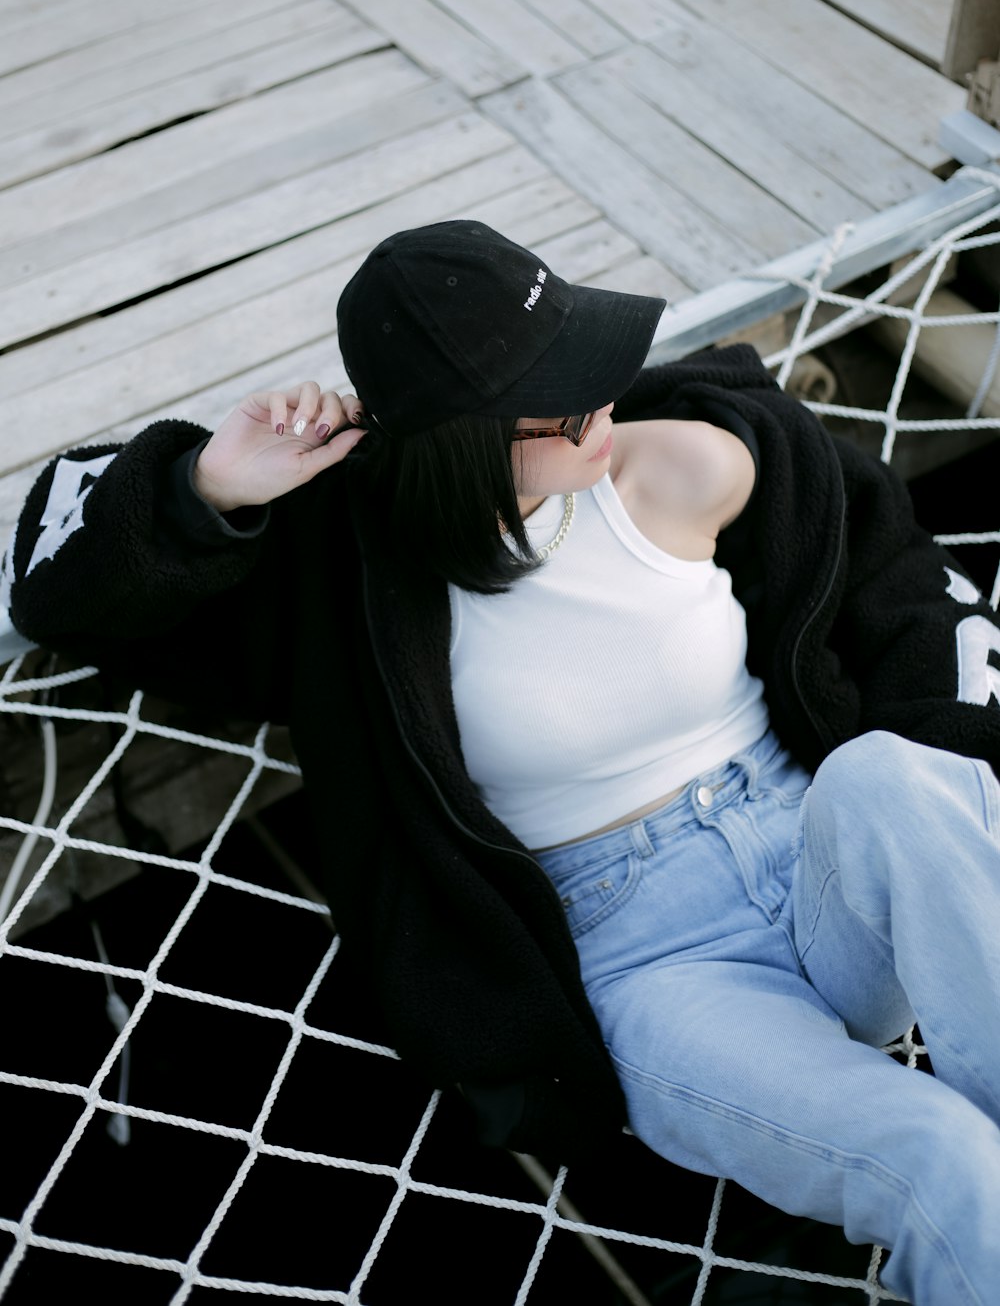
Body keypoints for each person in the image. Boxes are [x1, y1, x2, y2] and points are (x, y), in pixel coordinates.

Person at [5, 219, 1000, 1304]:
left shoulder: (686, 458)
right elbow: (58, 588)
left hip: (823, 859)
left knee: (893, 775)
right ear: (461, 440)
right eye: (568, 400)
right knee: (942, 1160)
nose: (608, 402)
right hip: (653, 968)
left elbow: (895, 575)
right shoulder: (336, 577)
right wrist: (210, 484)